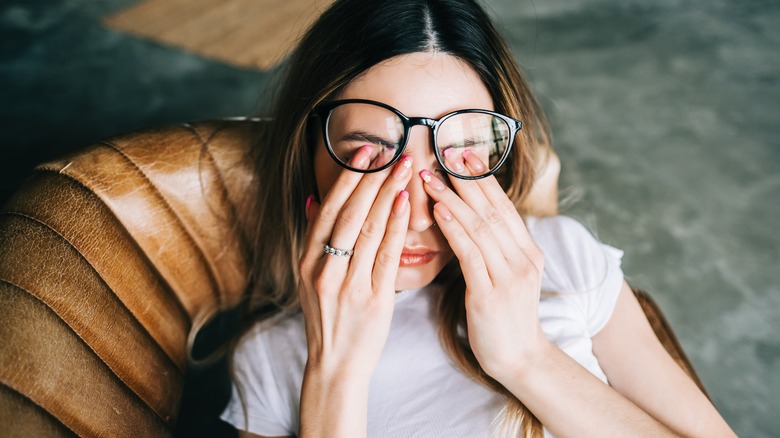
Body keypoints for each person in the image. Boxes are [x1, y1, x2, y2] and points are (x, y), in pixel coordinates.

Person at [220, 0, 735, 436]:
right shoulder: (271, 358)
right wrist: (335, 373)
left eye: (460, 154)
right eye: (371, 156)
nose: (419, 216)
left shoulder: (562, 258)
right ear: (308, 154)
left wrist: (526, 357)